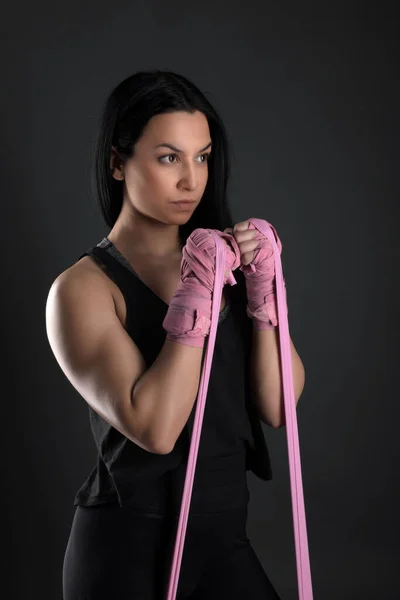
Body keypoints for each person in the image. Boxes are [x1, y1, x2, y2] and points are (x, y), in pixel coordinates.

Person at [46, 69, 282, 599]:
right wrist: (196, 295)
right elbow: (155, 428)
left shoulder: (228, 264)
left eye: (202, 157)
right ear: (116, 162)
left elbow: (280, 406)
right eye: (168, 157)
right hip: (128, 550)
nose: (191, 181)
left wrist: (264, 294)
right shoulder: (80, 290)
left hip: (225, 539)